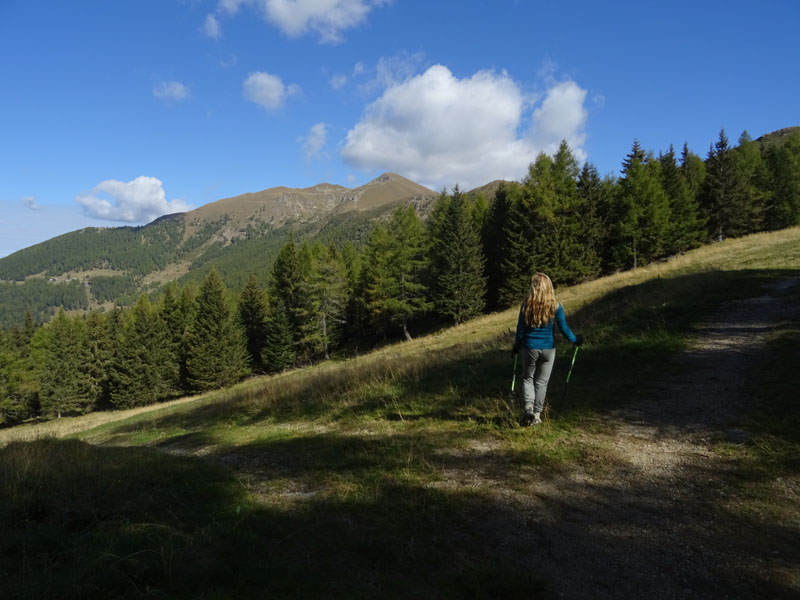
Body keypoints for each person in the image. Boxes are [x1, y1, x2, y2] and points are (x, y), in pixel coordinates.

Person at [512, 273, 582, 426]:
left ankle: (528, 408)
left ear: (534, 287)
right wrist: (575, 340)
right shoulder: (555, 305)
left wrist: (516, 346)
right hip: (548, 349)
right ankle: (537, 415)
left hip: (530, 347)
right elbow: (563, 328)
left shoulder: (526, 304)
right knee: (542, 382)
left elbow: (520, 329)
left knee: (527, 378)